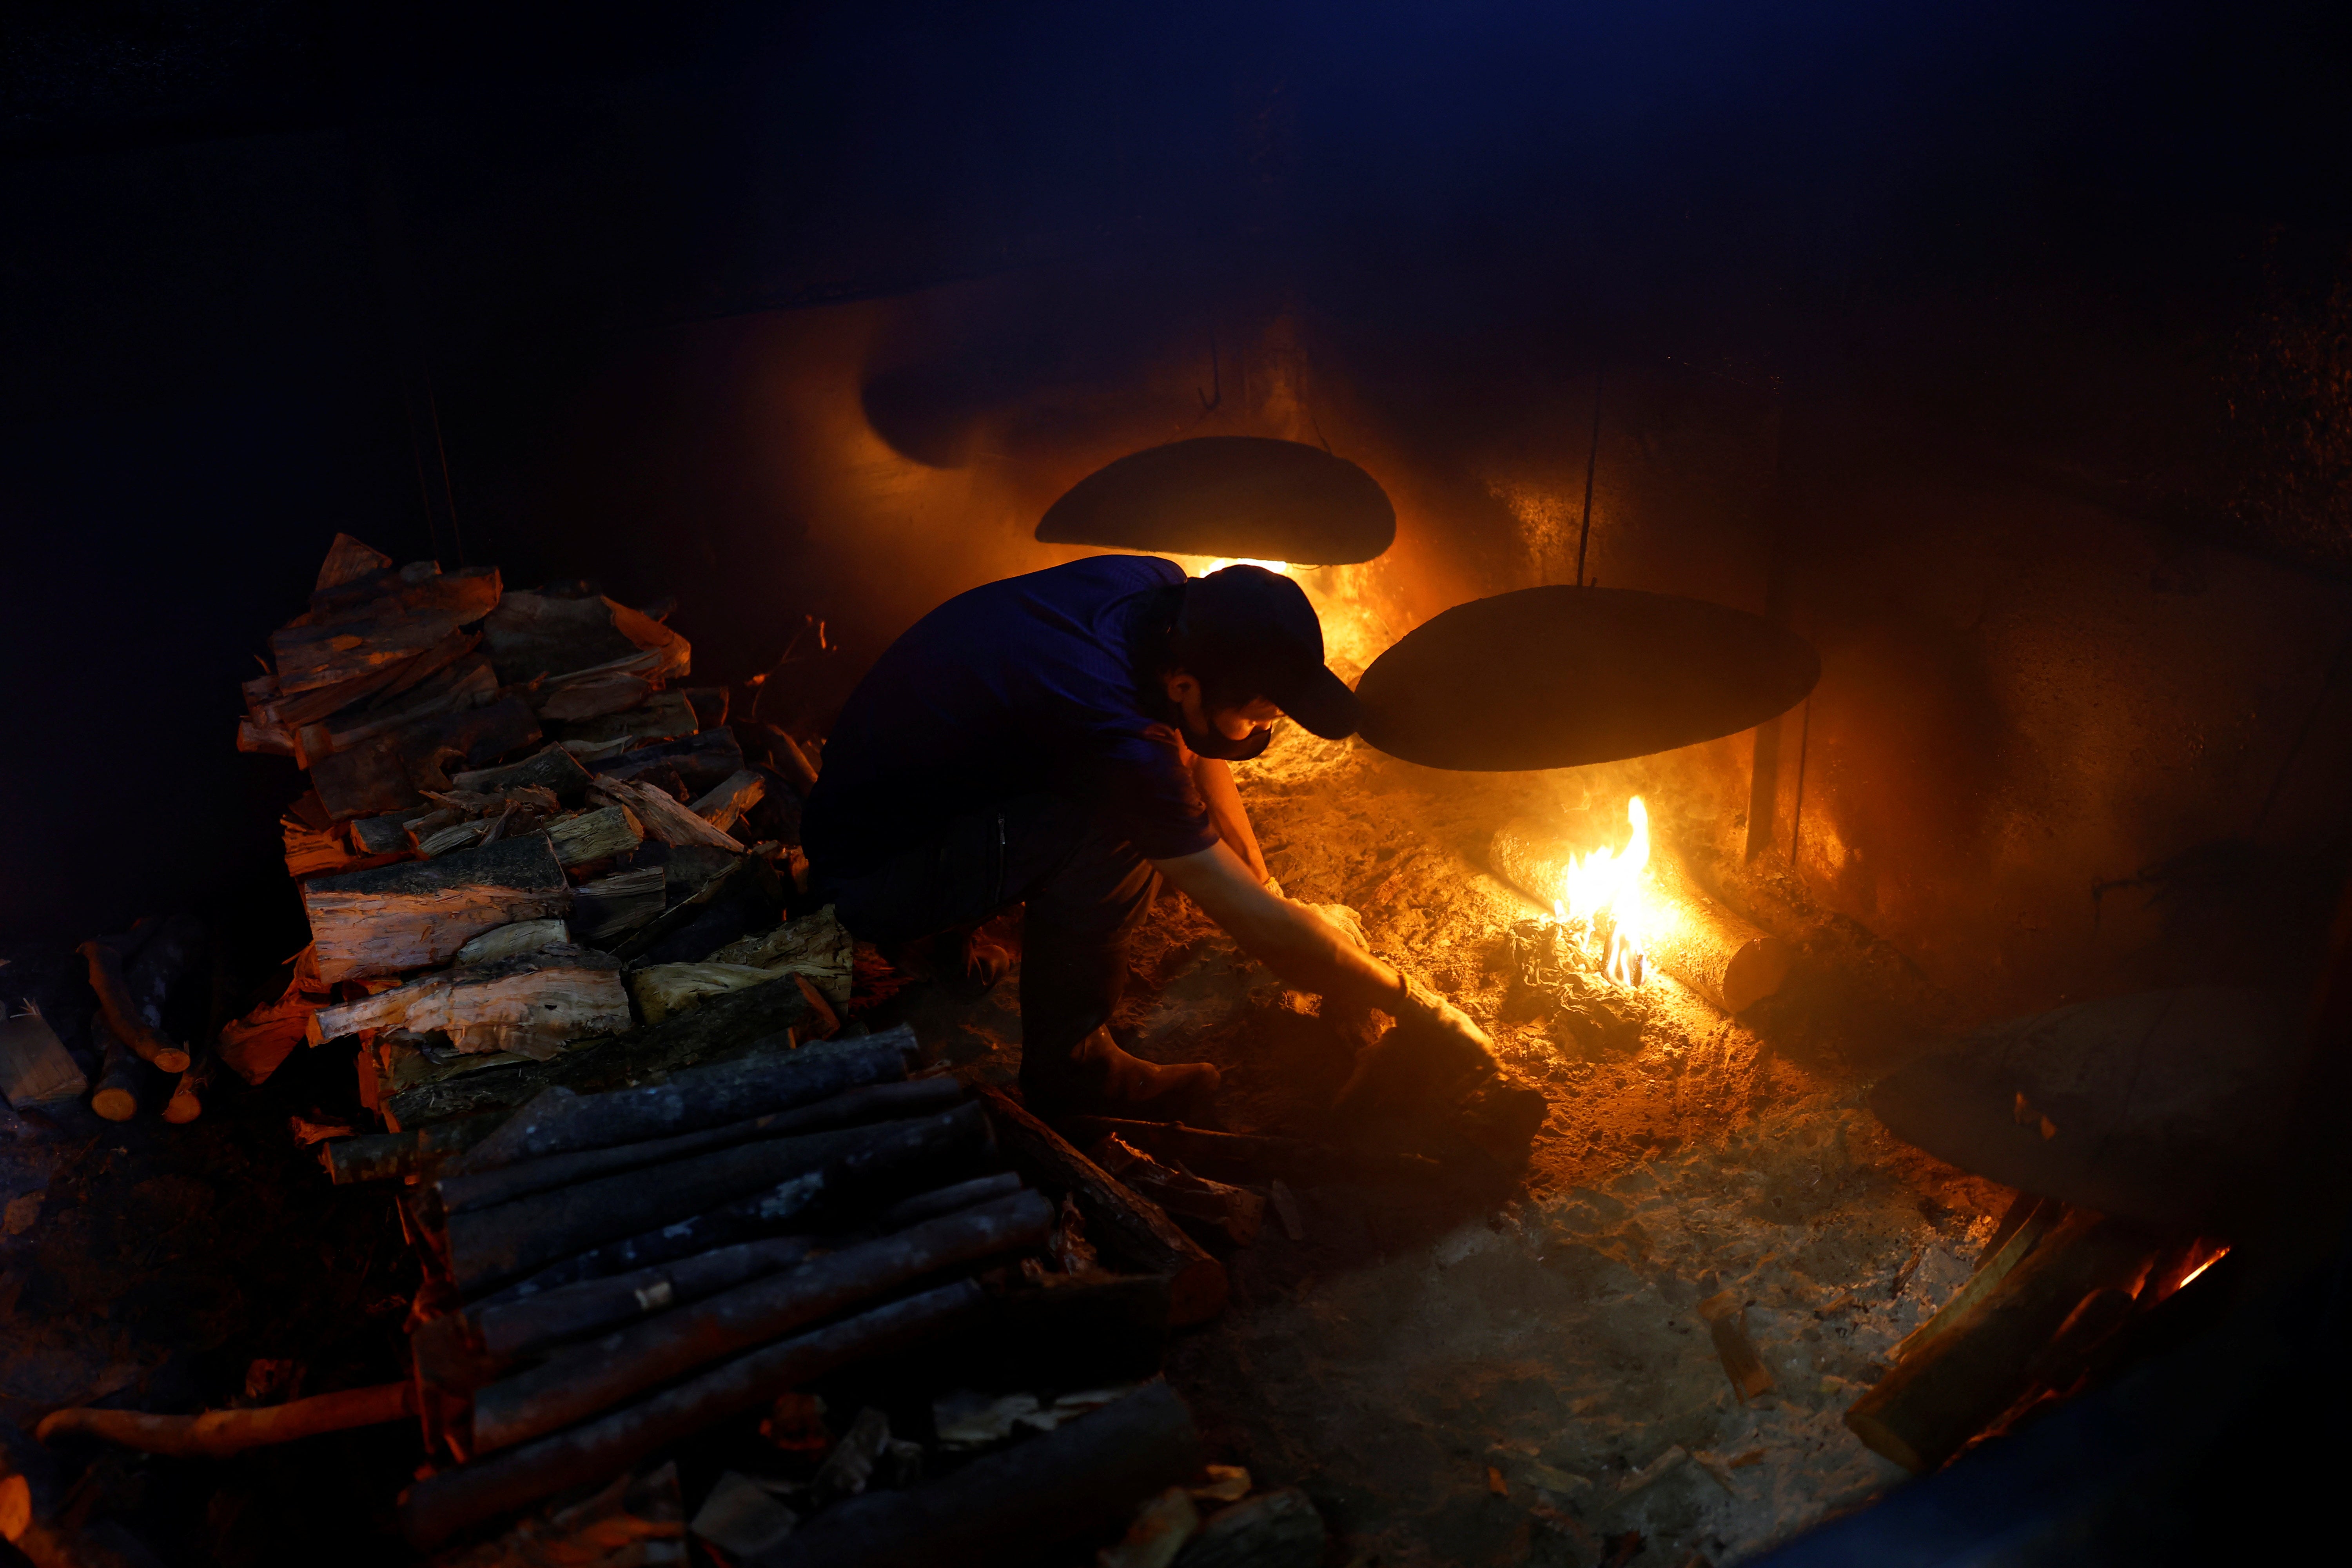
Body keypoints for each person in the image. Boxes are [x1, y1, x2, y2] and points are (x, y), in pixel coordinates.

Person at [802, 554, 1491, 1119]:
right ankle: (1073, 1069)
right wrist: (1417, 1003)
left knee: (1134, 787)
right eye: (1258, 714)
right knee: (1116, 828)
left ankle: (945, 933)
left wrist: (1266, 882)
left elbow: (1196, 751)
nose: (1263, 731)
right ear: (1189, 686)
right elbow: (1256, 928)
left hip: (906, 803)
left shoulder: (1159, 594)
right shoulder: (1115, 732)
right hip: (871, 871)